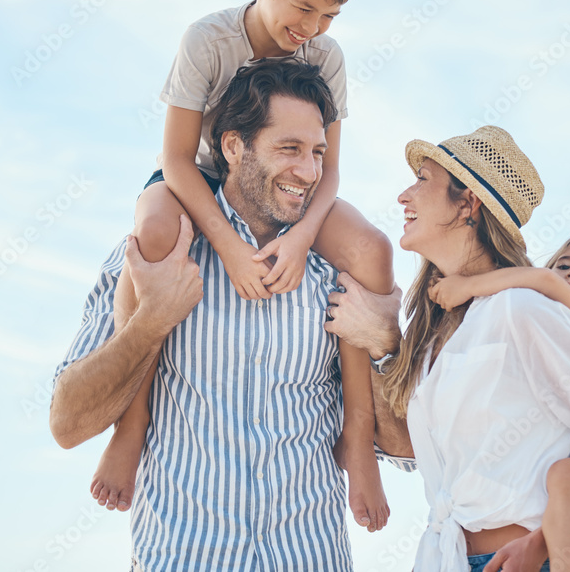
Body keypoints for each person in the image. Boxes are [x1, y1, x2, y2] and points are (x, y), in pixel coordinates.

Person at [92, 0, 392, 531]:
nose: (311, 29)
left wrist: (305, 235)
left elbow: (328, 171)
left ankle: (358, 437)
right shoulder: (208, 39)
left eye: (329, 16)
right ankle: (133, 422)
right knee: (153, 232)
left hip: (291, 187)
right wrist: (225, 243)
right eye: (304, 8)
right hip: (199, 175)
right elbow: (176, 158)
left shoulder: (326, 57)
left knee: (370, 249)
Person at [51, 60, 373, 570]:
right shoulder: (155, 259)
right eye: (288, 149)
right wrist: (152, 320)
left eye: (317, 153)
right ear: (232, 146)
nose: (309, 172)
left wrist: (391, 340)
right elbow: (66, 423)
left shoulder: (337, 272)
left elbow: (405, 438)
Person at [324, 126, 570, 571]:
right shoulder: (438, 336)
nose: (405, 195)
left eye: (423, 179)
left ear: (468, 204)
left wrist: (541, 545)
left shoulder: (523, 309)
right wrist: (384, 346)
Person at [427, 233, 570, 569]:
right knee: (560, 474)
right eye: (565, 265)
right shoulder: (551, 324)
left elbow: (542, 280)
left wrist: (468, 286)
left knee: (565, 473)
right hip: (568, 485)